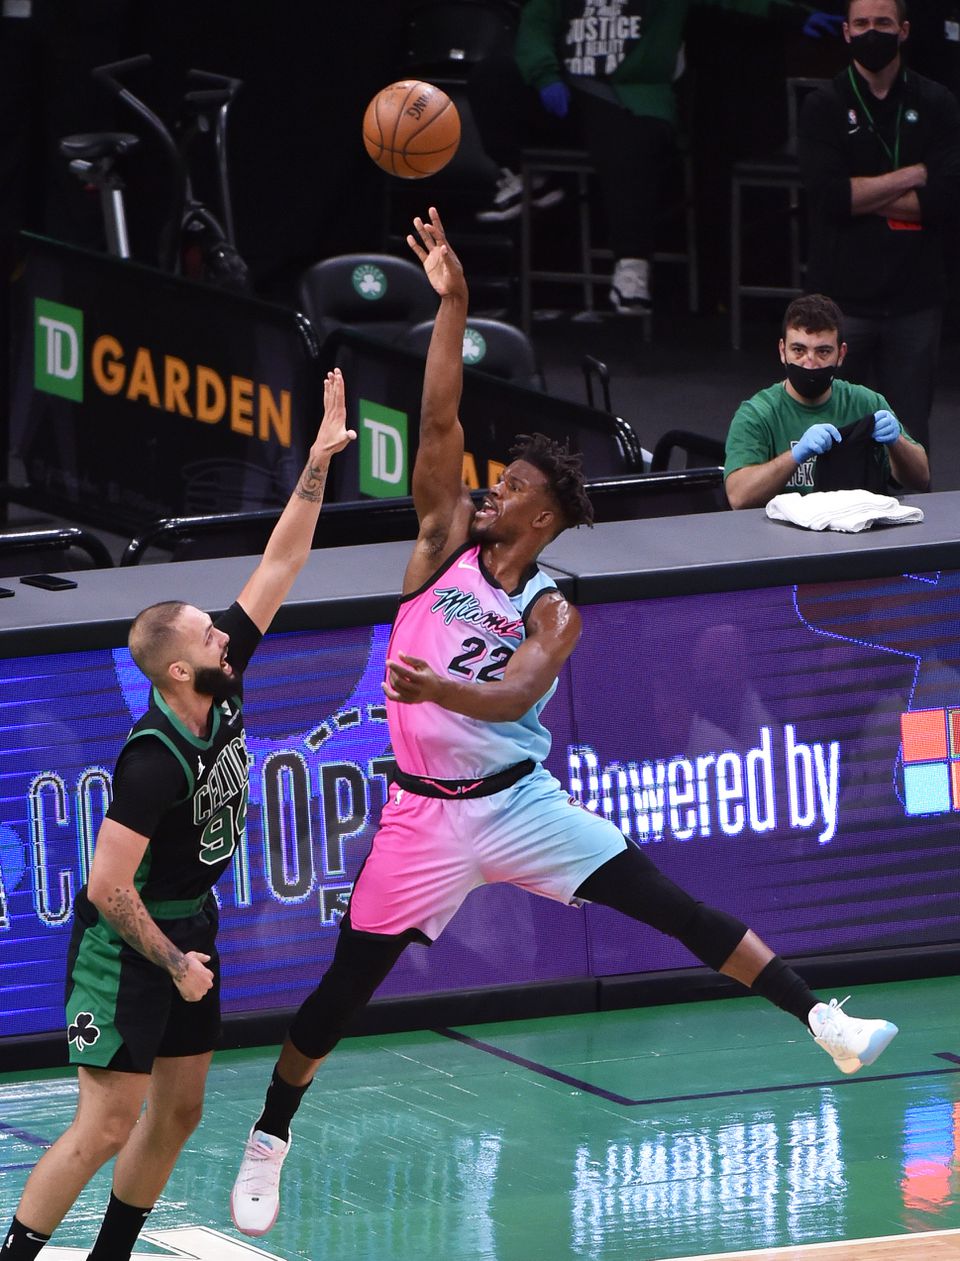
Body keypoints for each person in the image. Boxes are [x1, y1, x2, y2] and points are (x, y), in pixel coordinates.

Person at [229, 208, 900, 1239]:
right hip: (421, 818)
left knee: (669, 902)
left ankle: (825, 1018)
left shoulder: (555, 606)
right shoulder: (443, 546)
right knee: (342, 990)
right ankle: (271, 1134)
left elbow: (507, 695)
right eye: (492, 485)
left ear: (542, 516)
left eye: (509, 490)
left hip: (518, 803)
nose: (489, 493)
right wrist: (451, 304)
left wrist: (438, 693)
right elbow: (440, 418)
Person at [0, 371, 355, 1261]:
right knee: (106, 1120)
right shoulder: (153, 761)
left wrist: (315, 462)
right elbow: (106, 884)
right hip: (126, 945)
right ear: (175, 673)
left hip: (190, 925)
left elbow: (281, 561)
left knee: (183, 1108)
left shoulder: (222, 688)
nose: (224, 637)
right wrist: (173, 963)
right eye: (206, 635)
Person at [468, 0, 835, 313]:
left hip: (632, 97)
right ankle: (526, 176)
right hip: (572, 92)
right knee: (492, 76)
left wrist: (795, 16)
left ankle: (632, 264)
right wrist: (545, 75)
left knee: (628, 136)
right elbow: (535, 27)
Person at [797, 0, 960, 458]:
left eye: (883, 23)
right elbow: (831, 199)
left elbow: (946, 200)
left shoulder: (936, 102)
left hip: (915, 299)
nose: (873, 32)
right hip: (841, 301)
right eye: (862, 23)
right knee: (828, 435)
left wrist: (861, 196)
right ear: (846, 32)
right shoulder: (824, 104)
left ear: (904, 30)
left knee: (908, 441)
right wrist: (913, 175)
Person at [724, 292, 929, 509]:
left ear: (841, 355)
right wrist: (795, 455)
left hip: (858, 534)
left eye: (823, 352)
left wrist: (897, 442)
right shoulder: (757, 414)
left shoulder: (866, 403)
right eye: (798, 350)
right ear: (782, 351)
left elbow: (921, 478)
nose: (810, 363)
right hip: (784, 538)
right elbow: (739, 497)